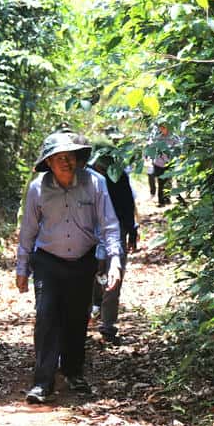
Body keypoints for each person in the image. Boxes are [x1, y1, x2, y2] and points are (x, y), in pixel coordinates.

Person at [15, 130, 122, 403]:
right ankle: (43, 382)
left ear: (78, 159)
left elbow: (109, 224)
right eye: (59, 157)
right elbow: (28, 230)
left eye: (70, 156)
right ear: (48, 162)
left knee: (77, 318)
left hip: (83, 261)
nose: (66, 162)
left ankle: (73, 372)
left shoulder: (95, 183)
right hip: (48, 261)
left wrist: (114, 261)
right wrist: (22, 268)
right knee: (46, 316)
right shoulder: (38, 188)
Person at [87, 142, 138, 345]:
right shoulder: (86, 176)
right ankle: (88, 315)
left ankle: (108, 325)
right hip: (89, 232)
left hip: (115, 232)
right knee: (88, 274)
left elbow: (127, 206)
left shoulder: (119, 177)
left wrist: (131, 231)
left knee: (113, 278)